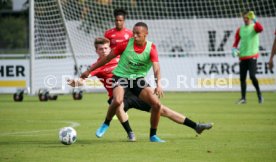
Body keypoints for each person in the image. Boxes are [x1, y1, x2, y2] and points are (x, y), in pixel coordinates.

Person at [68, 37, 213, 142]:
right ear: (96, 51)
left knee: (161, 109)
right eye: (101, 49)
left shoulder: (120, 58)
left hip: (135, 92)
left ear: (110, 48)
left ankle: (196, 126)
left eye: (106, 48)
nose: (104, 51)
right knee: (117, 103)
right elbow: (83, 79)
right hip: (119, 95)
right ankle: (130, 133)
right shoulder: (98, 65)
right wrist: (76, 82)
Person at [232, 11, 264, 104]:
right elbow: (236, 42)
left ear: (250, 18)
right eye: (244, 18)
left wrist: (255, 20)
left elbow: (261, 29)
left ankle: (259, 95)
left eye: (247, 18)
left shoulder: (254, 27)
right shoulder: (240, 29)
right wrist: (234, 49)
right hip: (242, 56)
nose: (245, 19)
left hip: (252, 56)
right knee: (242, 78)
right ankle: (243, 98)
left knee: (252, 76)